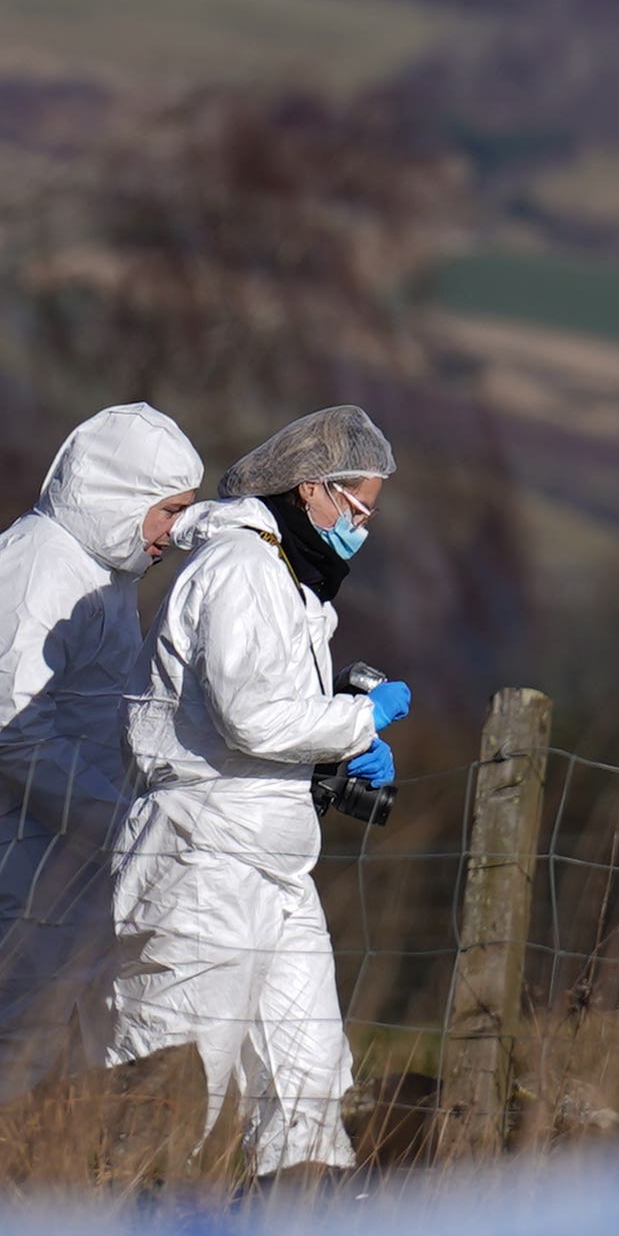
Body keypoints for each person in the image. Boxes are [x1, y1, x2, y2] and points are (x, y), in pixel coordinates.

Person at [106, 402, 411, 1177]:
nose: (362, 526)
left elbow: (259, 721)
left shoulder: (289, 584)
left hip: (271, 863)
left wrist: (339, 750)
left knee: (306, 1077)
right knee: (176, 1077)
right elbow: (250, 715)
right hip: (201, 861)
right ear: (312, 488)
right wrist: (356, 721)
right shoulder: (240, 569)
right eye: (359, 506)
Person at [0, 402, 205, 1098]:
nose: (174, 532)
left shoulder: (101, 574)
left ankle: (31, 1197)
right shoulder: (35, 565)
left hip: (69, 858)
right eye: (167, 510)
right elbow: (12, 732)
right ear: (121, 496)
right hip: (13, 861)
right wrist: (125, 823)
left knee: (65, 1071)